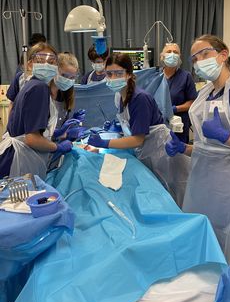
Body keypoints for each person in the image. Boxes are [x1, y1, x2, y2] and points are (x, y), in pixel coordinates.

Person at [165, 34, 230, 262]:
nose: (199, 61)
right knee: (204, 237)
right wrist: (184, 148)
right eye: (194, 58)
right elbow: (208, 148)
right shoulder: (205, 94)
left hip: (229, 187)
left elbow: (222, 144)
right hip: (203, 182)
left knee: (227, 240)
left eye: (204, 54)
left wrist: (226, 137)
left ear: (222, 55)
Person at [87, 53, 191, 207]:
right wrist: (119, 125)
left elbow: (138, 139)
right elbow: (132, 125)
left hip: (161, 152)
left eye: (118, 73)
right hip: (147, 150)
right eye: (109, 74)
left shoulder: (139, 98)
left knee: (172, 195)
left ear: (129, 75)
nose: (113, 77)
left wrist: (106, 143)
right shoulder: (119, 95)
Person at [0, 43, 73, 179]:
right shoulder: (39, 88)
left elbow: (27, 129)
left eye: (51, 62)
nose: (46, 65)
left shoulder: (32, 85)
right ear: (29, 64)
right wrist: (58, 147)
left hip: (13, 155)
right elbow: (32, 139)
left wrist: (55, 133)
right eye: (40, 60)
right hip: (18, 160)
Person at [160, 42, 197, 143]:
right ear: (162, 57)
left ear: (179, 57)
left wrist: (175, 109)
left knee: (179, 154)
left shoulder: (186, 76)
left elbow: (193, 102)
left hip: (178, 125)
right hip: (158, 124)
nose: (172, 54)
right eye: (169, 52)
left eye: (175, 52)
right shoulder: (156, 76)